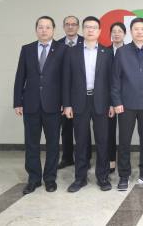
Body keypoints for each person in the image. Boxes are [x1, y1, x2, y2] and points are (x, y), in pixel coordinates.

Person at [13, 16, 65, 194]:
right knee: (31, 144)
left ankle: (50, 179)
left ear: (53, 29)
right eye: (41, 27)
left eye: (47, 27)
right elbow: (20, 76)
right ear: (36, 29)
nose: (44, 30)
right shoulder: (27, 49)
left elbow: (66, 79)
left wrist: (66, 103)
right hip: (31, 104)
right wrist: (17, 101)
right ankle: (34, 179)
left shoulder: (62, 49)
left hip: (54, 105)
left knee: (53, 144)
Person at [62, 16, 114, 192]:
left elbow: (112, 81)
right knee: (81, 141)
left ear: (99, 31)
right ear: (82, 30)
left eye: (94, 27)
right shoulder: (72, 52)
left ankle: (103, 177)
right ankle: (80, 178)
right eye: (87, 27)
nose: (90, 30)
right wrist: (67, 104)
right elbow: (66, 80)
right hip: (79, 101)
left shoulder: (107, 52)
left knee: (102, 141)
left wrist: (112, 104)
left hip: (101, 102)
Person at [111, 17, 143, 191]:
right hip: (126, 104)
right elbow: (115, 79)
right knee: (124, 141)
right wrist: (116, 101)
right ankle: (124, 175)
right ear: (131, 32)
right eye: (136, 29)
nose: (139, 32)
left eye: (142, 29)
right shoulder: (122, 52)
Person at [56, 15, 88, 170]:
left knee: (84, 129)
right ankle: (67, 157)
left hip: (83, 94)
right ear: (63, 26)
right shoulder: (57, 45)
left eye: (73, 24)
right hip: (63, 92)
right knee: (66, 127)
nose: (70, 27)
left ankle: (85, 158)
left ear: (78, 26)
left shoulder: (86, 42)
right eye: (67, 24)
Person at [108, 22, 126, 174]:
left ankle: (124, 162)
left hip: (126, 99)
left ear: (125, 34)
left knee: (125, 133)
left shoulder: (129, 51)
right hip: (108, 99)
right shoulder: (104, 51)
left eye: (120, 31)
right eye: (114, 31)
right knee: (110, 131)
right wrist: (111, 102)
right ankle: (111, 160)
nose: (116, 34)